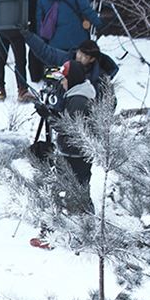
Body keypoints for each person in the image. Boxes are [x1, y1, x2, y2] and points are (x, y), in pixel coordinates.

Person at [30, 59, 96, 247]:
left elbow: (69, 128)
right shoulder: (79, 94)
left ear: (72, 78)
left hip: (74, 155)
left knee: (60, 192)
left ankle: (50, 235)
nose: (62, 83)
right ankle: (86, 232)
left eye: (64, 79)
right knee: (78, 193)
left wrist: (48, 116)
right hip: (77, 153)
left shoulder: (78, 99)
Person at [23, 33, 119, 99]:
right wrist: (29, 37)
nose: (80, 57)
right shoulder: (67, 59)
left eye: (85, 56)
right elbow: (46, 52)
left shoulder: (99, 76)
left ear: (92, 59)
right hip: (62, 107)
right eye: (79, 53)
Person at [36, 0, 102, 52]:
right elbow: (87, 10)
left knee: (61, 64)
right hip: (78, 39)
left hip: (55, 43)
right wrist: (99, 24)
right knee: (77, 63)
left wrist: (41, 41)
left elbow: (40, 22)